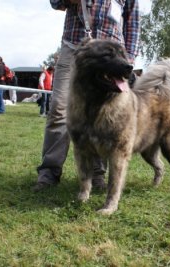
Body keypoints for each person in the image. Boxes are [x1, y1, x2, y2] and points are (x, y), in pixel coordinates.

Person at [32, 0, 140, 192]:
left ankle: (97, 174)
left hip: (111, 56)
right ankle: (49, 172)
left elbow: (132, 22)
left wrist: (128, 58)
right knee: (59, 108)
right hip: (76, 49)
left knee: (105, 117)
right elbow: (55, 2)